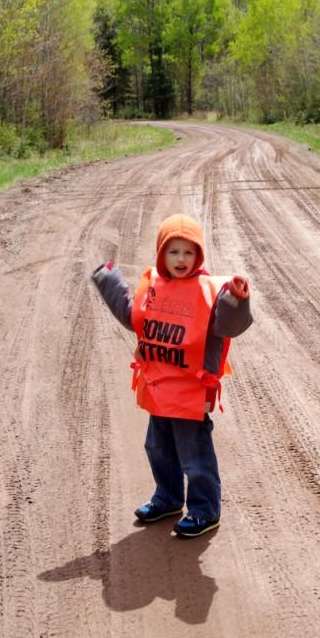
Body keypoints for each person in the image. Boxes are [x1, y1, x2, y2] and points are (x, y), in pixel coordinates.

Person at [91, 214, 253, 538]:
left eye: (189, 252)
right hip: (159, 389)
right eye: (173, 251)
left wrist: (236, 300)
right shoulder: (154, 287)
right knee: (158, 448)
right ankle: (167, 497)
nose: (181, 259)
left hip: (192, 393)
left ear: (199, 256)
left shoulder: (210, 291)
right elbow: (132, 315)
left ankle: (205, 509)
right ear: (161, 254)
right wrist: (109, 282)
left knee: (194, 455)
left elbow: (229, 326)